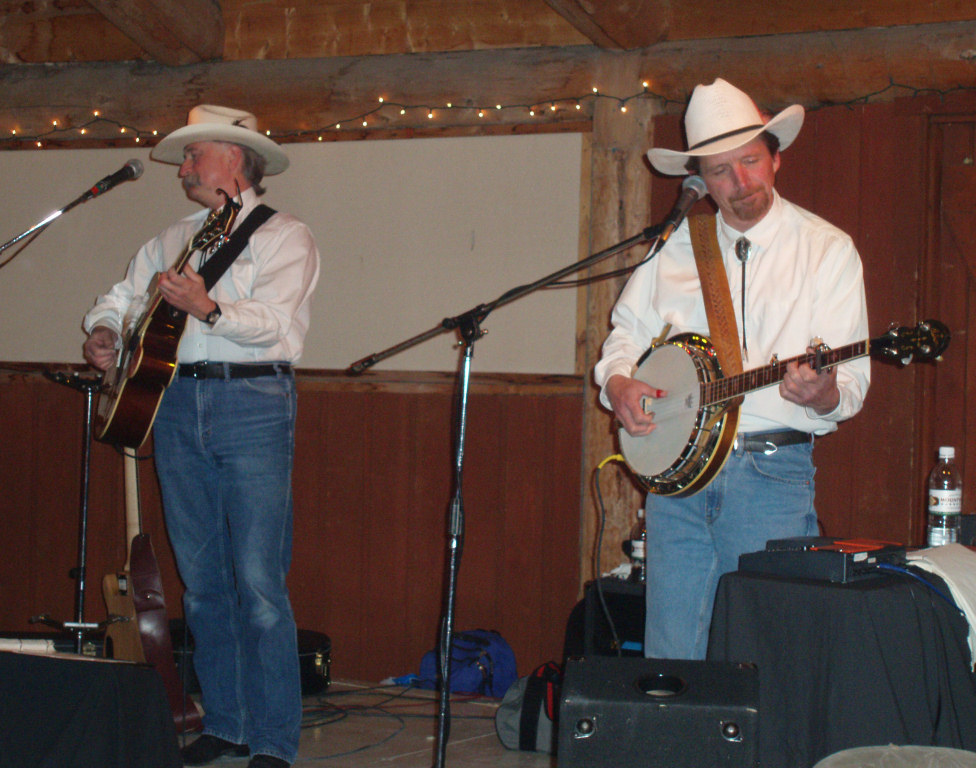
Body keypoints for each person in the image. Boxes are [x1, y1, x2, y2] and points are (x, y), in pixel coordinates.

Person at [593, 78, 870, 661]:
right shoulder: (674, 248)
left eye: (750, 161)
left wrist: (821, 393)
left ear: (776, 157)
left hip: (771, 475)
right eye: (720, 171)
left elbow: (850, 387)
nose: (740, 182)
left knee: (769, 654)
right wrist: (618, 382)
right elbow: (625, 334)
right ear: (699, 179)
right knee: (671, 656)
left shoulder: (827, 250)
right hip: (677, 483)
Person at [83, 105, 320, 768]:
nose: (183, 168)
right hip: (176, 401)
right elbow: (122, 297)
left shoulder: (286, 236)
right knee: (203, 579)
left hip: (253, 400)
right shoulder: (172, 238)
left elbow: (277, 325)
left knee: (259, 580)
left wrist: (207, 307)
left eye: (194, 154)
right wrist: (105, 331)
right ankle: (227, 723)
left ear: (234, 159)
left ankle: (273, 739)